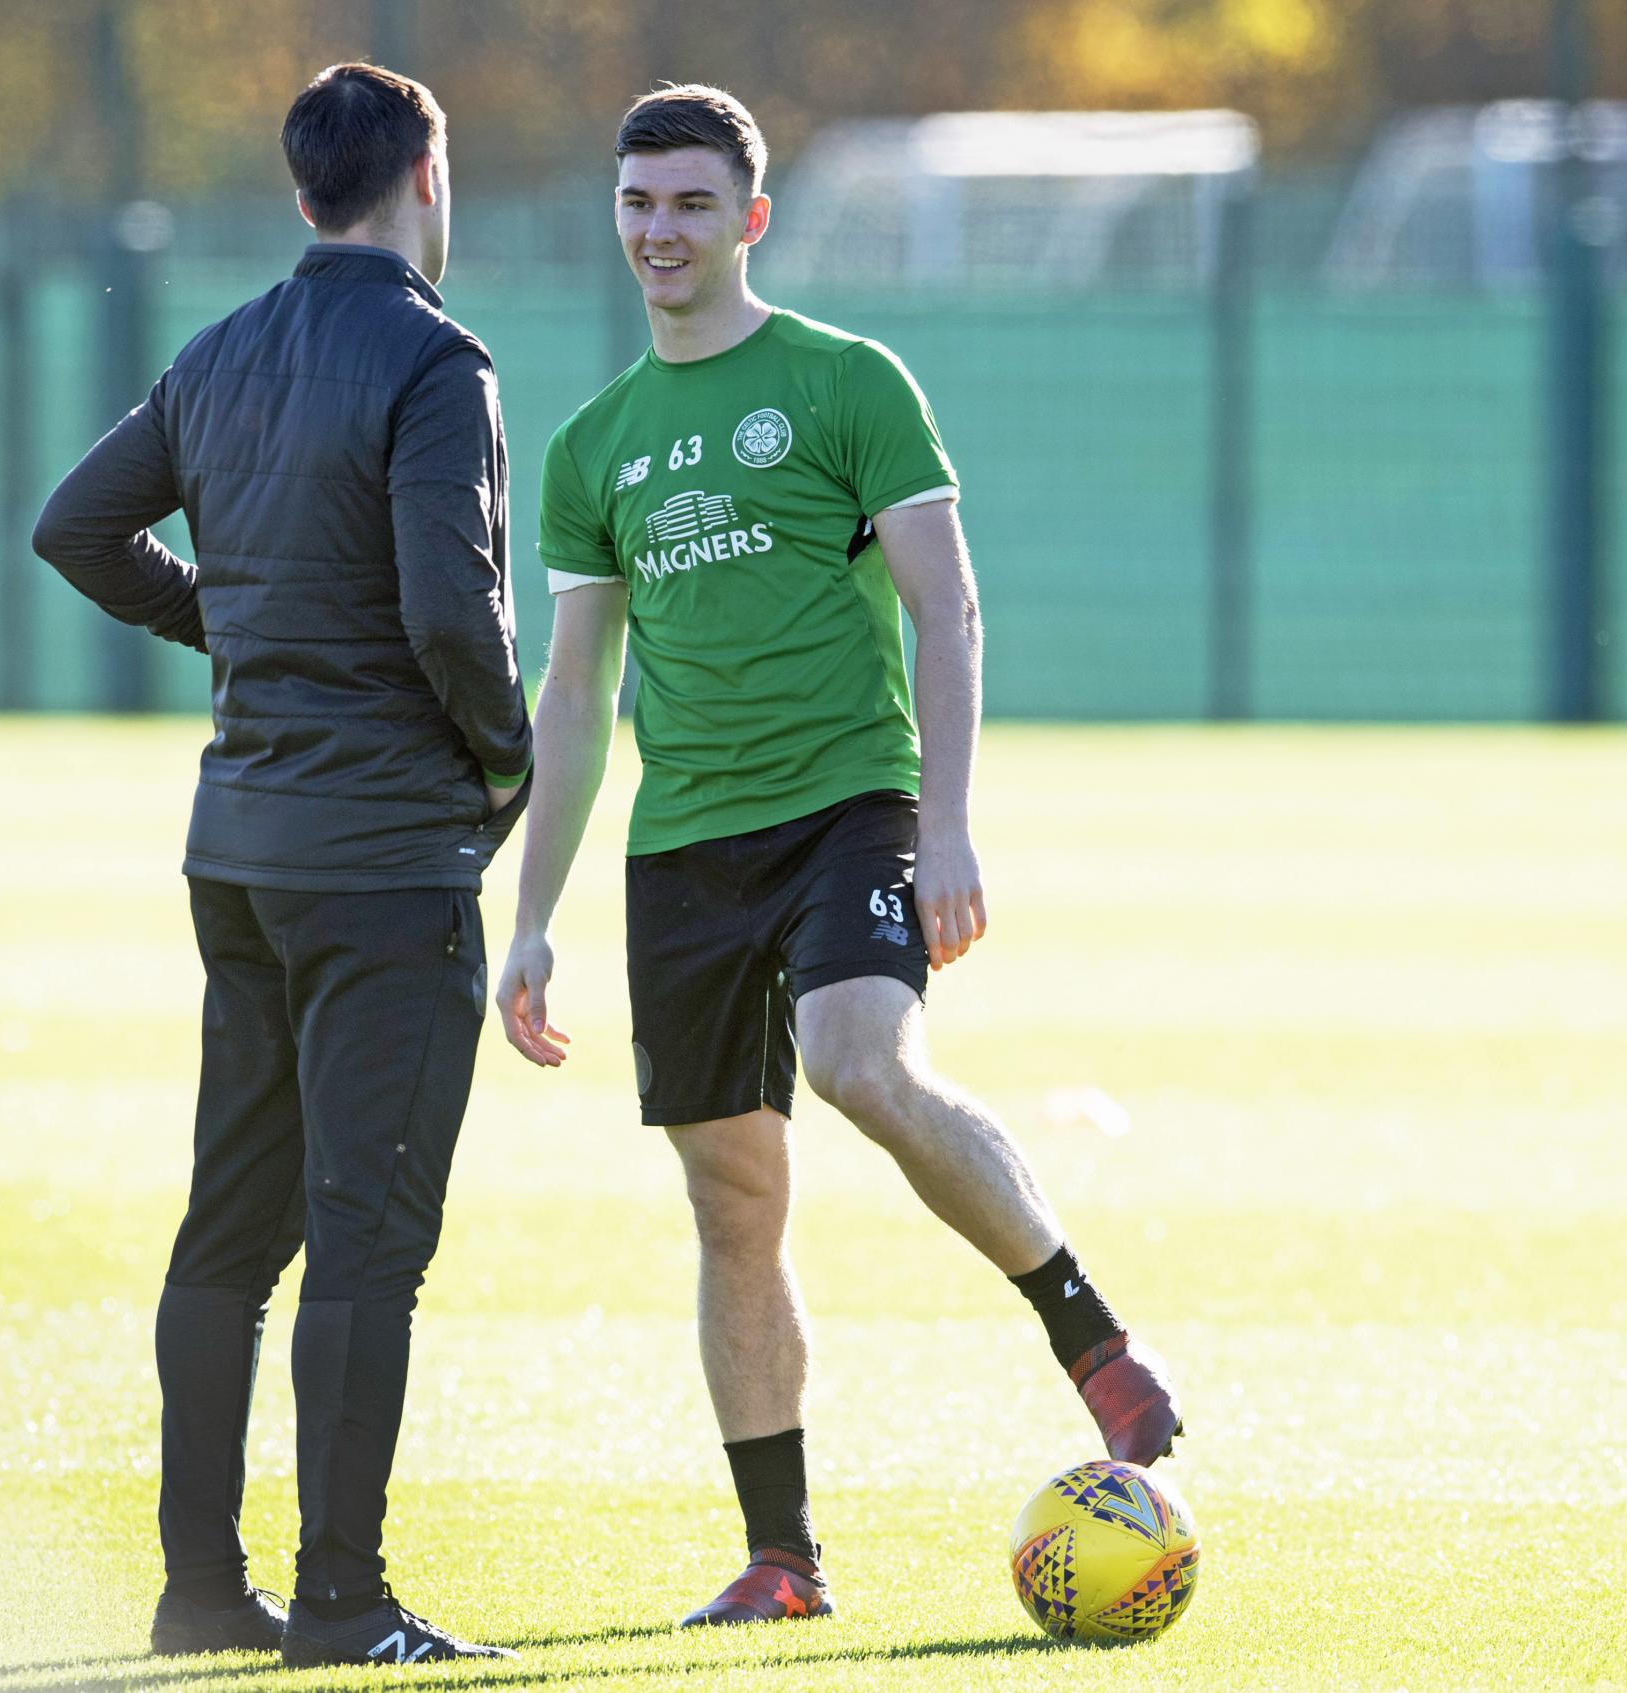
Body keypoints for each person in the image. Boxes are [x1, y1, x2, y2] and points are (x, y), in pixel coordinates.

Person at [494, 84, 1184, 1629]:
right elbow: (575, 692)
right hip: (682, 853)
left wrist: (945, 821)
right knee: (732, 1199)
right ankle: (782, 1558)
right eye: (636, 203)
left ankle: (1091, 1338)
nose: (659, 231)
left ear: (748, 220)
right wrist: (528, 915)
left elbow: (951, 604)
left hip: (848, 807)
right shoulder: (593, 445)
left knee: (861, 1061)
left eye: (689, 204)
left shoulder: (845, 382)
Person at [31, 62, 527, 1669]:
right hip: (383, 860)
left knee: (230, 1238)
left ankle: (198, 1593)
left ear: (308, 186)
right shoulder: (437, 362)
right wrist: (509, 760)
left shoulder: (222, 349)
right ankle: (340, 1603)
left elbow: (76, 528)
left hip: (236, 852)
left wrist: (225, 624)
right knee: (366, 1235)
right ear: (426, 178)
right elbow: (454, 616)